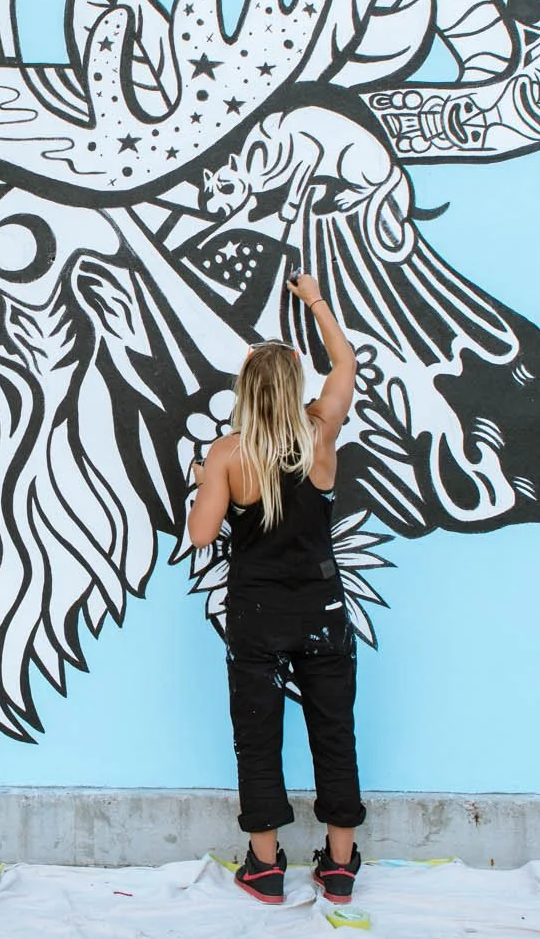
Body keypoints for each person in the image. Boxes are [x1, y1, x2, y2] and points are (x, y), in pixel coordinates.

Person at [187, 272, 363, 906]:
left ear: (246, 391)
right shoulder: (321, 432)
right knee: (334, 732)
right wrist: (314, 298)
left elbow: (202, 535)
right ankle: (338, 867)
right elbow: (345, 363)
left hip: (256, 612)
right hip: (321, 607)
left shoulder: (228, 453)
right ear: (293, 387)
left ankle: (265, 869)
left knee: (257, 737)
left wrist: (206, 482)